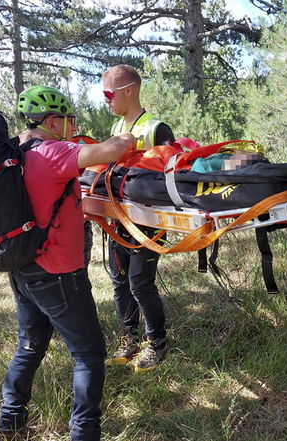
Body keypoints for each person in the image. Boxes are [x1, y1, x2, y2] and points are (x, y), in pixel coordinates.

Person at [0, 85, 136, 441]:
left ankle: (9, 425)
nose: (73, 126)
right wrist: (131, 133)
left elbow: (48, 199)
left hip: (24, 266)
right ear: (54, 121)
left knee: (29, 345)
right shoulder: (55, 151)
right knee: (89, 355)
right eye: (70, 120)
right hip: (59, 273)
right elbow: (114, 148)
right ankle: (84, 433)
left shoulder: (18, 151)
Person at [101, 64, 175, 372]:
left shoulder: (156, 128)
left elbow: (170, 179)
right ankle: (127, 337)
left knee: (139, 283)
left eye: (109, 93)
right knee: (119, 281)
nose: (106, 100)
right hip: (117, 220)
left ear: (128, 90)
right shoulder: (116, 130)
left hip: (147, 223)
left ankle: (156, 342)